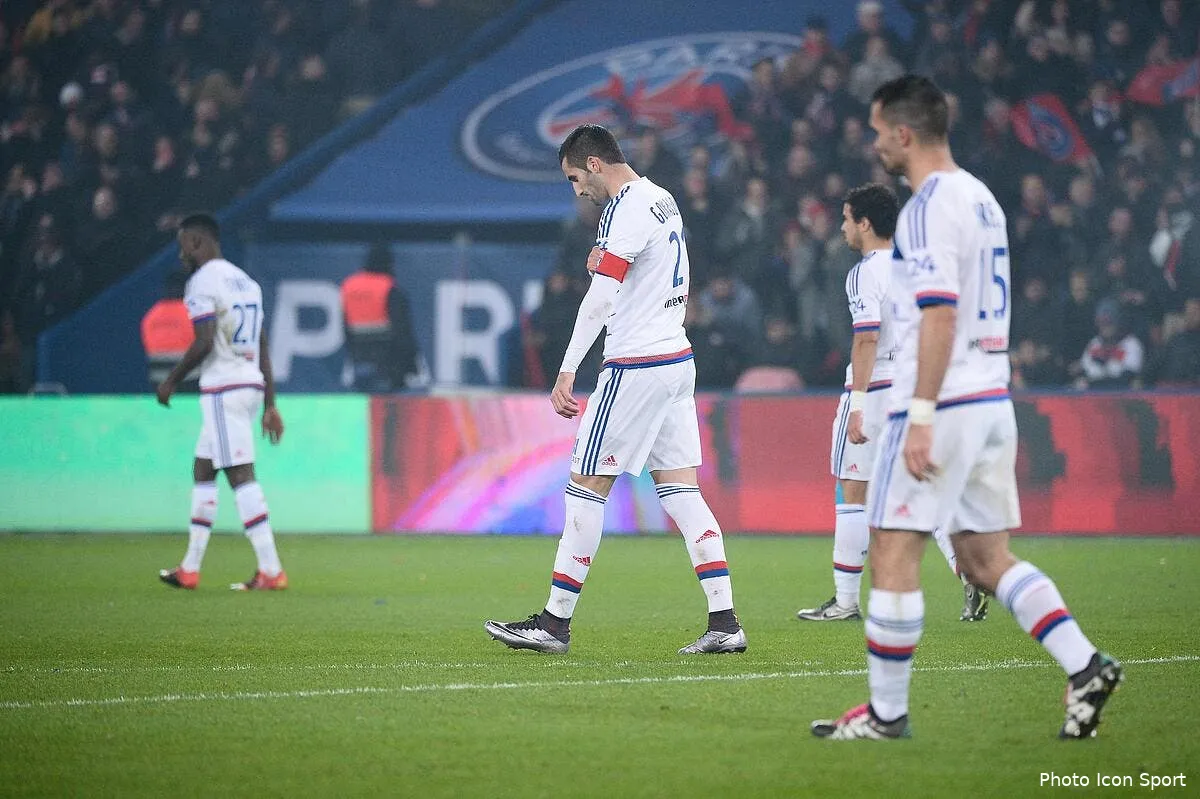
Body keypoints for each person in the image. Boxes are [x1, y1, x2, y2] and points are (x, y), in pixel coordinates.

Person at [813, 76, 1121, 741]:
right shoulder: (982, 198)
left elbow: (939, 314)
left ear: (903, 133)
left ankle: (886, 715)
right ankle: (1086, 664)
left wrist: (920, 413)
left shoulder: (926, 208)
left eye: (878, 131)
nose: (874, 142)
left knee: (892, 549)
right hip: (990, 399)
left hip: (943, 402)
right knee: (984, 557)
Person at [484, 124, 745, 655]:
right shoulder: (662, 198)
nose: (577, 189)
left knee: (585, 488)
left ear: (594, 164)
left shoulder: (623, 209)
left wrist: (566, 370)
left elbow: (600, 298)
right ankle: (725, 622)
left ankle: (554, 624)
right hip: (677, 359)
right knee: (682, 493)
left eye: (574, 178)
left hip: (637, 362)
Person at [796, 183, 980, 624]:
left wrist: (858, 403)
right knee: (925, 488)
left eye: (846, 219)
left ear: (864, 223)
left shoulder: (865, 272)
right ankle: (971, 571)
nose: (842, 228)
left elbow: (867, 338)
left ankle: (845, 601)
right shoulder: (917, 267)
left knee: (851, 491)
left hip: (875, 390)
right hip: (915, 390)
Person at [156, 213, 288, 592]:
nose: (181, 254)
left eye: (183, 245)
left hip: (223, 389)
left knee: (241, 475)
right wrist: (270, 403)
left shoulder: (202, 282)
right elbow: (262, 343)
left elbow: (204, 341)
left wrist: (171, 380)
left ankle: (271, 569)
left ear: (196, 242)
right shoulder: (247, 282)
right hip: (248, 385)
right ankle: (190, 568)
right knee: (204, 468)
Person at [340, 243, 420, 392]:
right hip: (389, 361)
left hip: (359, 358)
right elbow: (402, 330)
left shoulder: (349, 286)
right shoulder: (388, 288)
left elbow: (345, 327)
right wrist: (411, 364)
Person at [140, 269, 197, 392]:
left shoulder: (151, 315)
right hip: (190, 379)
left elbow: (148, 344)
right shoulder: (193, 313)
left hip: (159, 379)